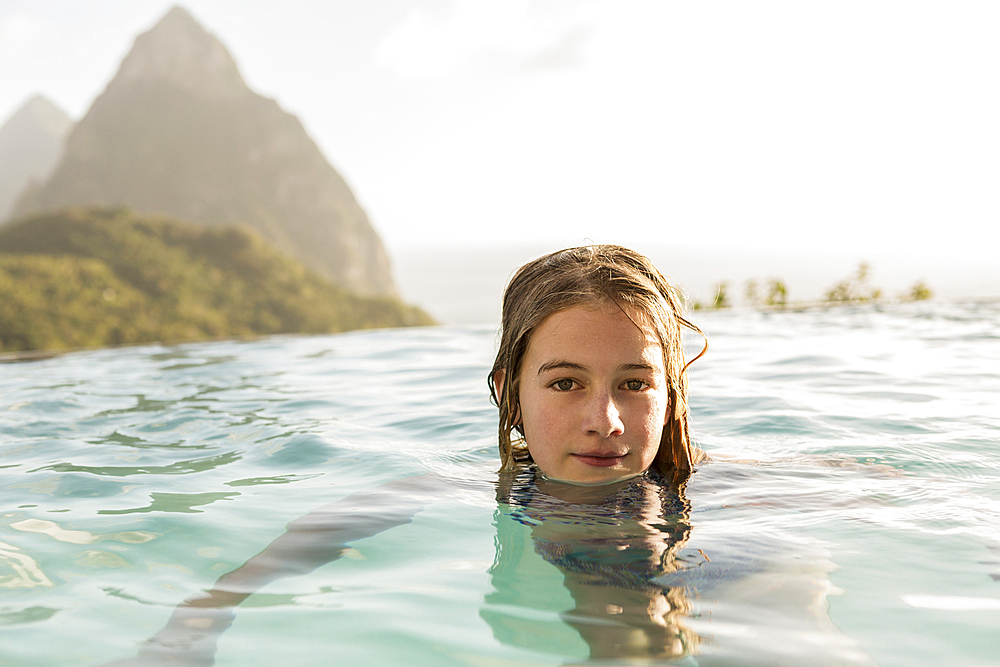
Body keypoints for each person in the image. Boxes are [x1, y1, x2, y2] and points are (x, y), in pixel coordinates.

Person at [489, 244, 708, 484]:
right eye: (565, 384)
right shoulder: (451, 495)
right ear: (511, 396)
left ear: (669, 400)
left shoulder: (735, 494)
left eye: (635, 384)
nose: (605, 423)